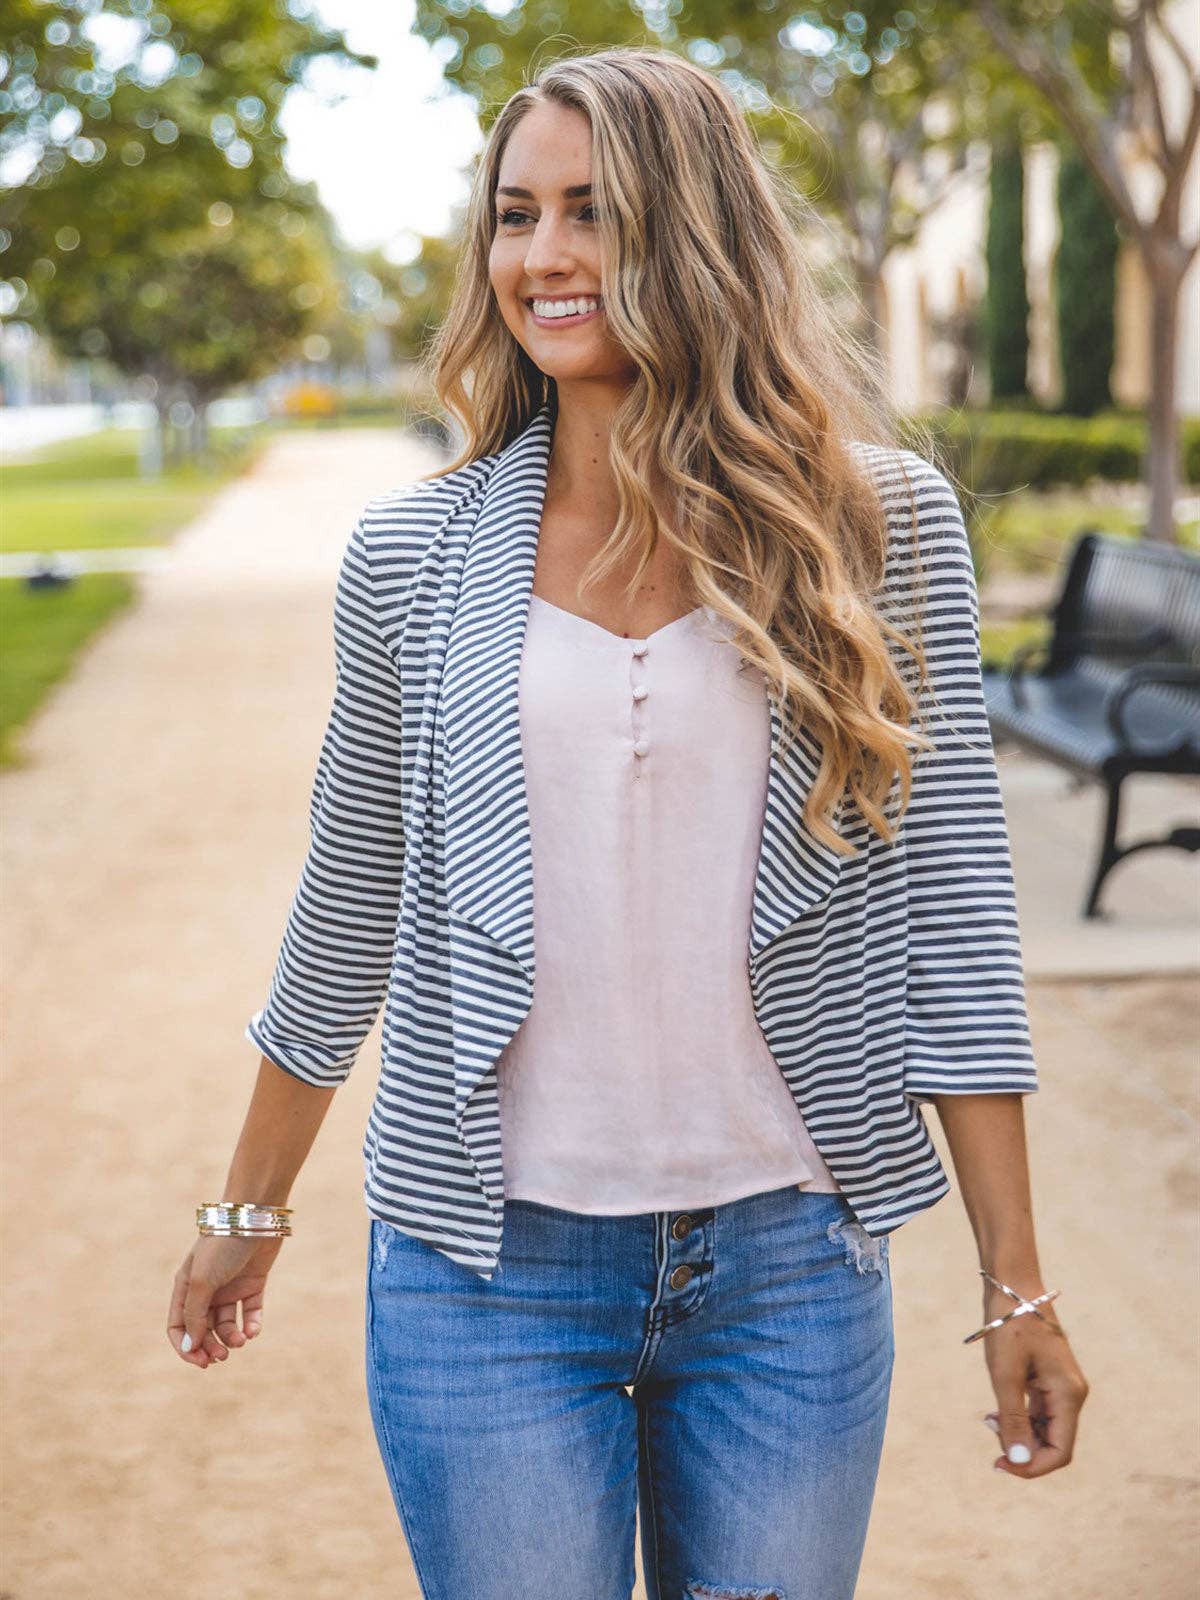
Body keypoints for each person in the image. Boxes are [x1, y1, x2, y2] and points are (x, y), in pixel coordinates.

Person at [168, 45, 1089, 1600]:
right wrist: (248, 1204)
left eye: (592, 211)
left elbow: (955, 928)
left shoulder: (875, 529)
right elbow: (347, 906)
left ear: (696, 229)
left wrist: (1017, 1287)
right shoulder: (409, 556)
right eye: (515, 214)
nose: (543, 254)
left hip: (790, 1272)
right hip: (486, 1278)